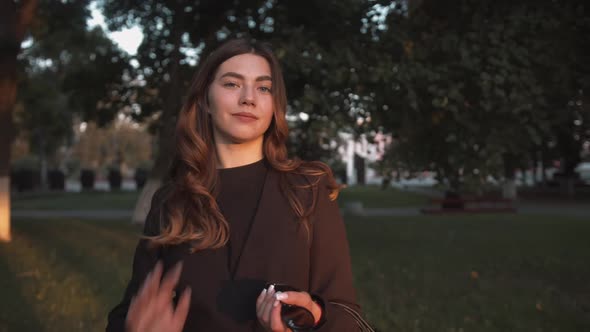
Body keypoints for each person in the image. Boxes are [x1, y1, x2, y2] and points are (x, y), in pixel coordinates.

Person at [106, 38, 360, 332]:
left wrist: (313, 316)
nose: (248, 98)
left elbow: (346, 315)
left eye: (264, 88)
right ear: (205, 99)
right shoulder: (171, 201)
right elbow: (129, 314)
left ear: (274, 105)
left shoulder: (307, 191)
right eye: (232, 84)